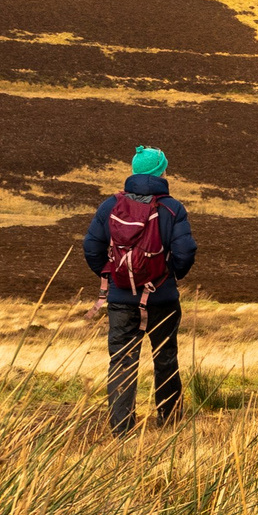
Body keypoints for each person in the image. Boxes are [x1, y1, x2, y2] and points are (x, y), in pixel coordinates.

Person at [82, 145, 197, 436]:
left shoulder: (110, 206)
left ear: (134, 170)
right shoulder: (173, 208)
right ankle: (169, 421)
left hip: (121, 299)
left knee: (121, 360)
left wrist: (112, 275)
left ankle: (121, 429)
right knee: (166, 357)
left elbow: (91, 247)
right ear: (161, 171)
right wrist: (173, 277)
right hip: (162, 297)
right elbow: (185, 251)